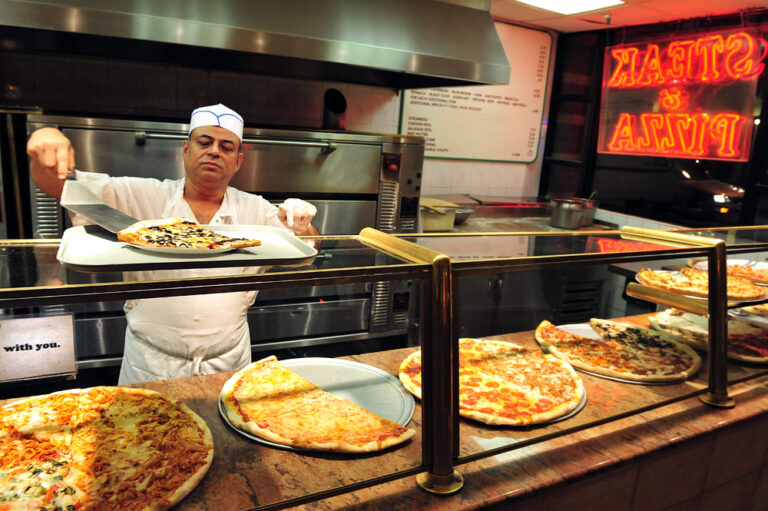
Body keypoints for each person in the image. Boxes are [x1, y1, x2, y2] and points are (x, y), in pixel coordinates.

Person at [27, 104, 319, 384]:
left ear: (238, 161)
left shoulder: (255, 209)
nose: (214, 151)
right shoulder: (142, 196)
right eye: (204, 142)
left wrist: (302, 224)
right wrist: (44, 138)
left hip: (229, 361)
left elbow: (307, 247)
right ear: (185, 149)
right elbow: (59, 186)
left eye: (226, 147)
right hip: (152, 364)